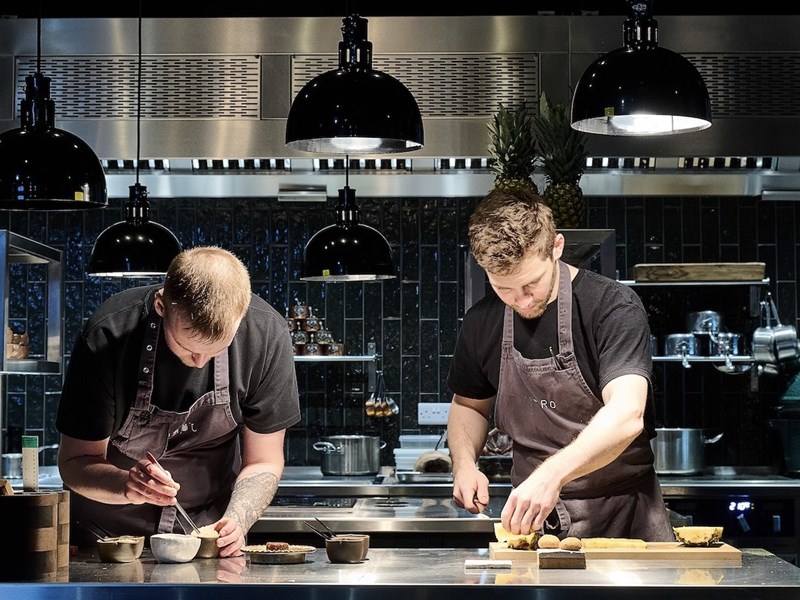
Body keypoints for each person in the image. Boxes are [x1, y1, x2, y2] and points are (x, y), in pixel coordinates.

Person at [446, 188, 674, 541]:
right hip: (533, 523)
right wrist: (464, 465)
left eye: (530, 283)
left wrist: (550, 476)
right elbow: (468, 405)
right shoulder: (481, 322)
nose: (521, 300)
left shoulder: (612, 306)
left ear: (557, 247)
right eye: (504, 288)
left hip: (625, 519)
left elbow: (627, 413)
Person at [56, 246, 300, 556]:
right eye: (188, 346)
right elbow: (75, 462)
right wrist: (126, 486)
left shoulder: (267, 336)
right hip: (107, 541)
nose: (200, 362)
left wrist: (238, 519)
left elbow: (263, 460)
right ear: (161, 305)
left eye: (214, 350)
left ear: (244, 313)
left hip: (205, 537)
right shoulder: (107, 335)